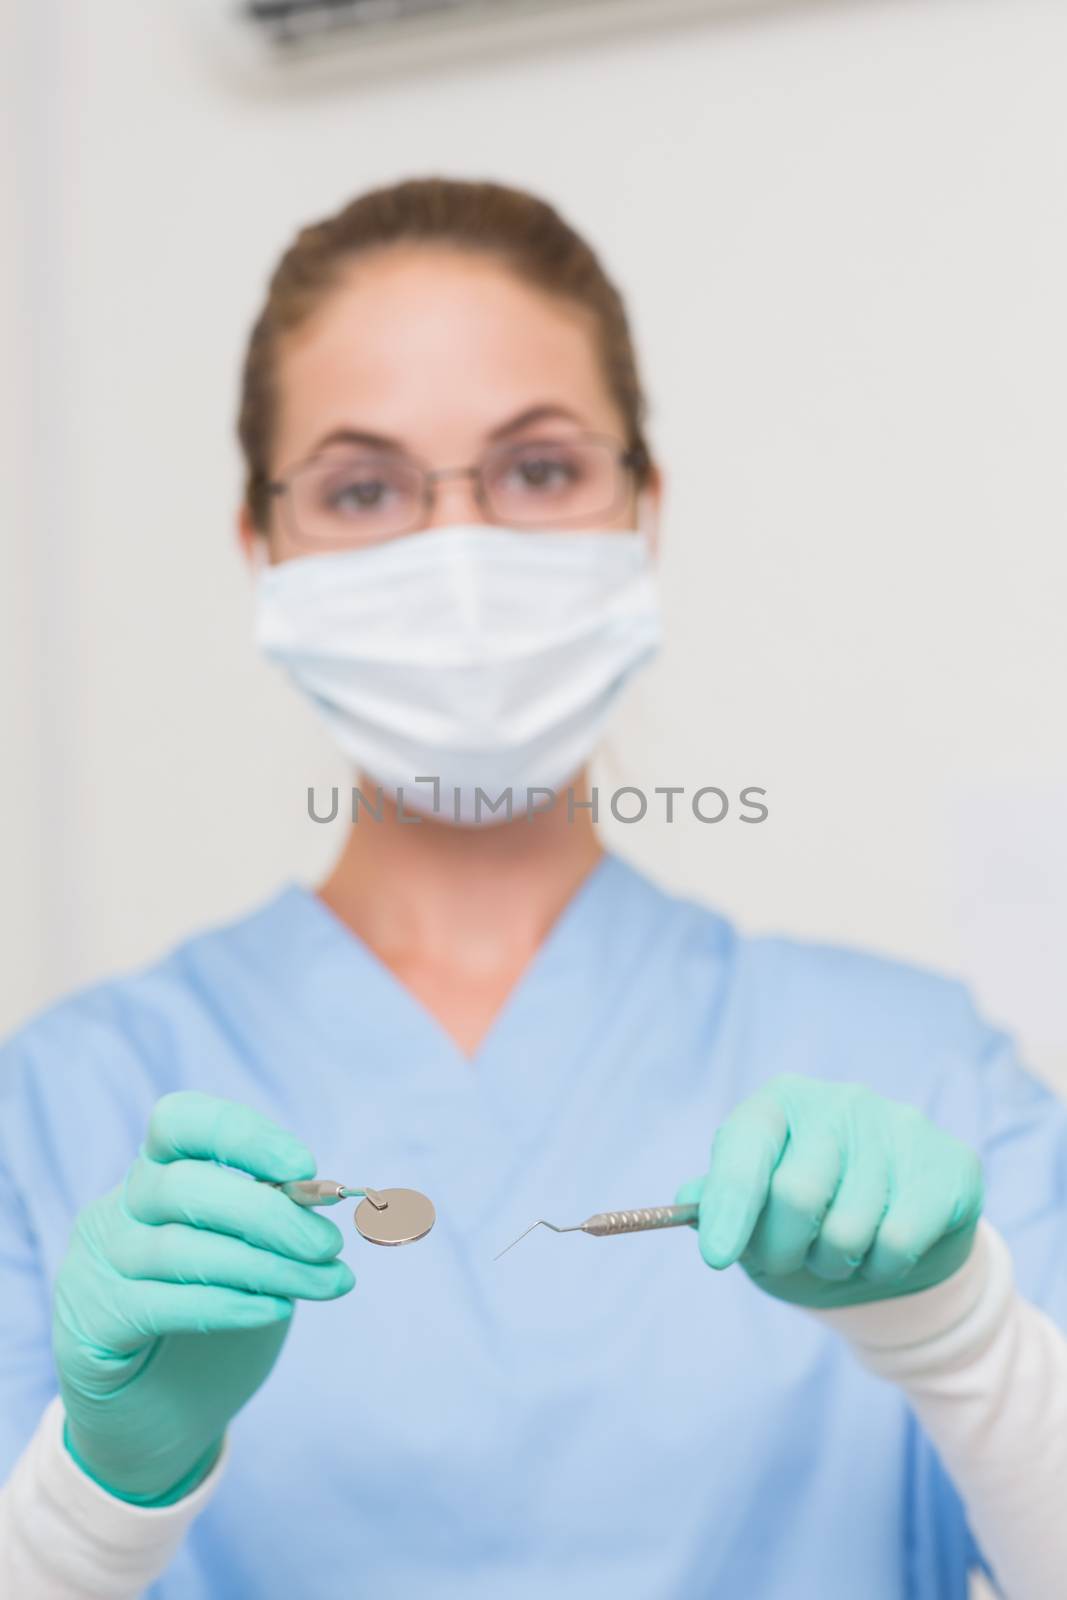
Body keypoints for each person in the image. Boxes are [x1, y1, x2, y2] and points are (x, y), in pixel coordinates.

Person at [0, 176, 1064, 1600]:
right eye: (364, 487)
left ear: (644, 511)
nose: (460, 561)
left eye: (539, 469)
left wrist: (962, 1336)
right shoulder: (65, 1111)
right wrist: (101, 1492)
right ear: (263, 546)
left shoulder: (925, 1076)